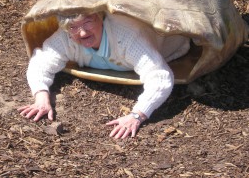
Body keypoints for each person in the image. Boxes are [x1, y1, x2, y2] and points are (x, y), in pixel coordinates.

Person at [18, 12, 191, 139]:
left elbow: (160, 77)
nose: (83, 33)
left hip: (175, 39)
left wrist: (137, 115)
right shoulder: (67, 37)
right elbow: (40, 61)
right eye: (74, 27)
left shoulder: (127, 36)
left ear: (101, 17)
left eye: (87, 22)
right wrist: (41, 97)